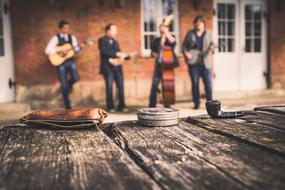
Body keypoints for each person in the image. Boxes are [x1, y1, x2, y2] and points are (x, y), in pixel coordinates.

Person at [45, 20, 83, 109]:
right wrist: (59, 50)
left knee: (76, 78)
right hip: (60, 62)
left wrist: (79, 48)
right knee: (63, 83)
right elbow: (47, 50)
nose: (67, 29)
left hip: (70, 61)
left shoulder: (72, 37)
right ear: (61, 28)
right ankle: (67, 105)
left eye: (68, 27)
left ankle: (69, 86)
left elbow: (75, 50)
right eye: (65, 28)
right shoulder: (56, 38)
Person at [182, 15, 214, 109]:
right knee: (195, 84)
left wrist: (212, 49)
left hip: (206, 63)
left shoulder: (209, 34)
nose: (198, 23)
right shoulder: (190, 33)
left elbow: (214, 45)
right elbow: (184, 46)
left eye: (200, 22)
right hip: (193, 64)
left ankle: (210, 104)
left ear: (204, 23)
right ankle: (196, 103)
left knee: (208, 84)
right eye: (196, 22)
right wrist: (186, 53)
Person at [98, 24, 128, 112]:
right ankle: (110, 106)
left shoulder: (116, 41)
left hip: (117, 68)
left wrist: (126, 56)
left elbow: (119, 53)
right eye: (114, 30)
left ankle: (121, 105)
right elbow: (104, 52)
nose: (116, 32)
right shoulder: (102, 40)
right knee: (109, 86)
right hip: (107, 68)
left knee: (121, 86)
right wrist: (116, 54)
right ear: (108, 31)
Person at [149, 24, 179, 107]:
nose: (162, 29)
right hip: (159, 65)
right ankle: (152, 104)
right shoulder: (156, 40)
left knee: (167, 86)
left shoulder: (170, 38)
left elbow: (173, 42)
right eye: (161, 28)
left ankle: (167, 104)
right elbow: (152, 52)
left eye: (164, 28)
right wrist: (153, 53)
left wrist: (166, 33)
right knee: (155, 84)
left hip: (168, 65)